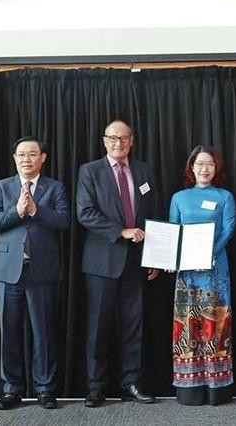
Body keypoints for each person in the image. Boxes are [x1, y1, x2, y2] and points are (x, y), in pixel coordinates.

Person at [77, 120, 159, 408]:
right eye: (113, 138)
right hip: (102, 263)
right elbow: (85, 213)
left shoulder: (144, 171)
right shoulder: (90, 171)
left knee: (133, 326)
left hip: (137, 262)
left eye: (123, 138)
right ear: (104, 141)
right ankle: (96, 387)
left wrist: (155, 257)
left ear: (132, 141)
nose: (118, 143)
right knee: (98, 327)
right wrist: (120, 231)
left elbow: (152, 214)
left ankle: (131, 383)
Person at [0, 136, 70, 410]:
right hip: (8, 271)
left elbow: (64, 221)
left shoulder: (55, 188)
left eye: (32, 154)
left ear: (42, 157)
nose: (26, 159)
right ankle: (11, 389)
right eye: (21, 155)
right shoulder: (2, 187)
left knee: (43, 333)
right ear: (14, 158)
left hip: (41, 271)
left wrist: (36, 210)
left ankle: (45, 388)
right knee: (9, 332)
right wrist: (18, 211)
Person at [168, 145, 236, 406]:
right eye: (199, 163)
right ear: (191, 167)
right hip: (187, 273)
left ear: (216, 168)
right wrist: (173, 259)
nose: (204, 168)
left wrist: (208, 255)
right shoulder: (179, 197)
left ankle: (216, 389)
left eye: (209, 164)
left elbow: (228, 230)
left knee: (215, 328)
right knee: (187, 326)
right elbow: (173, 231)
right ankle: (189, 389)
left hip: (215, 270)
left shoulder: (225, 197)